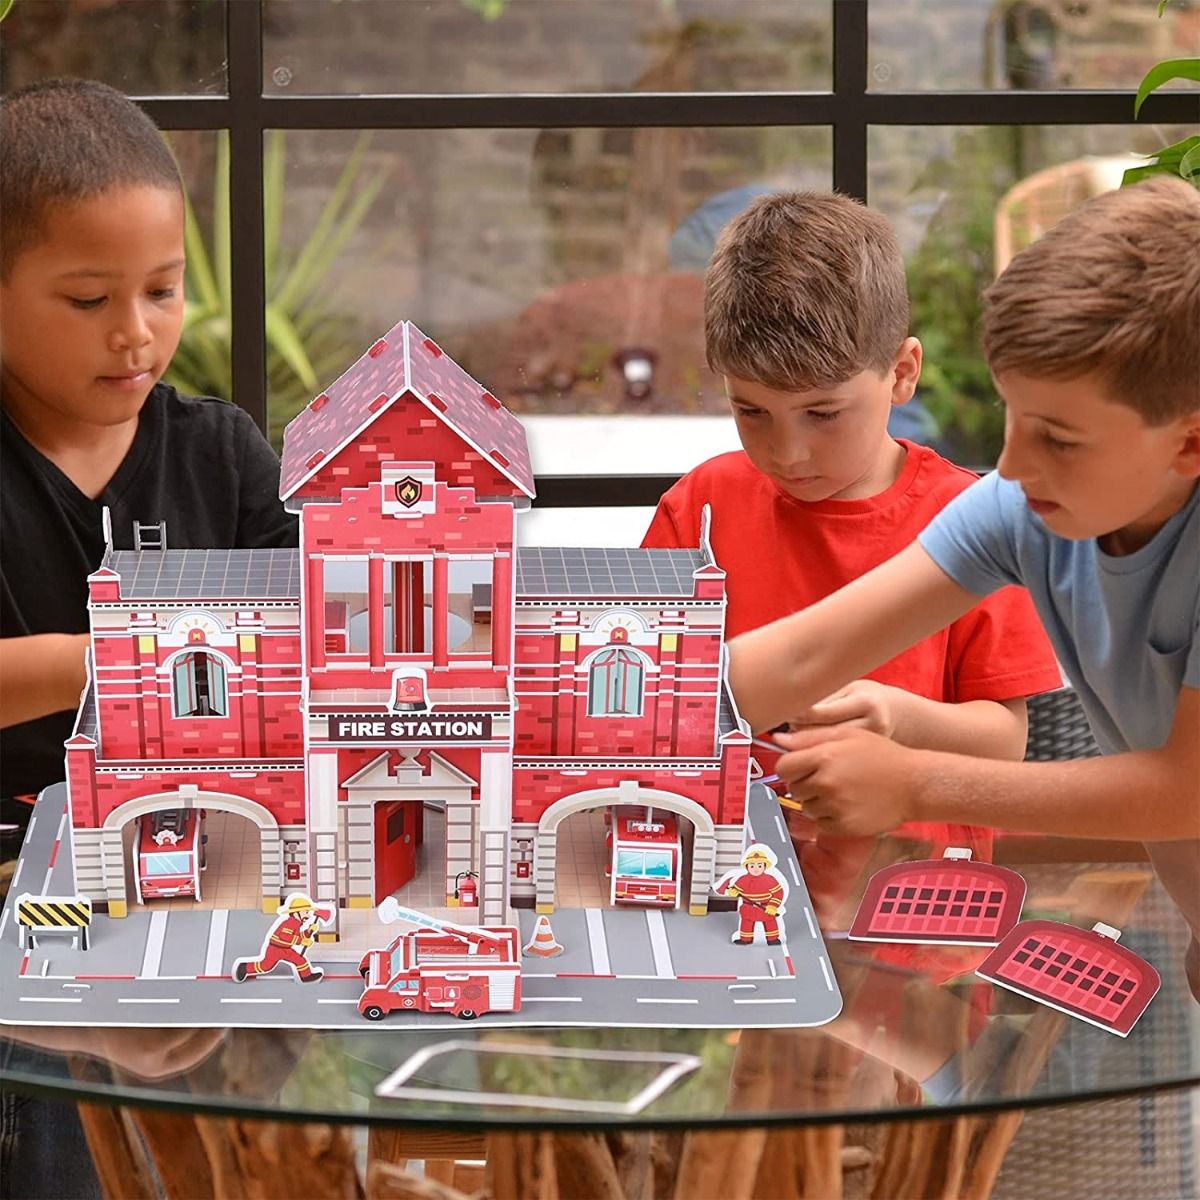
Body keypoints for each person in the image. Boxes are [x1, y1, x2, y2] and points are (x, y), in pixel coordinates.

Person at [725, 176, 1200, 995]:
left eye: (1058, 438)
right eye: (1011, 416)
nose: (1012, 464)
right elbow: (806, 656)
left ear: (1189, 444)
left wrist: (915, 781)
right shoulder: (1023, 506)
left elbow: (1186, 790)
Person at [0, 77, 297, 1200]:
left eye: (164, 290)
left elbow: (302, 651)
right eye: (88, 299)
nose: (137, 332)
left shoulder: (223, 455)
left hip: (219, 880)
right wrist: (120, 656)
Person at [643, 190, 1061, 887]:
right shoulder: (701, 508)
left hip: (917, 905)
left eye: (823, 413)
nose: (788, 453)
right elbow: (644, 697)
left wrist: (897, 716)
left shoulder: (970, 519)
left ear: (902, 373)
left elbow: (1005, 740)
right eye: (751, 411)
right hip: (724, 882)